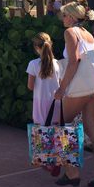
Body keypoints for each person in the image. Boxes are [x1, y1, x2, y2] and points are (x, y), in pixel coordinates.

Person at [52, 1, 94, 187]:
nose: (63, 19)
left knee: (58, 123)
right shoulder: (88, 34)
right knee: (93, 129)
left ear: (72, 17)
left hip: (79, 88)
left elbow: (73, 62)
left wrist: (62, 88)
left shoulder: (70, 33)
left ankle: (72, 172)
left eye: (65, 15)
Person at [26, 32, 61, 176]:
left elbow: (30, 86)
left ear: (36, 47)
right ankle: (57, 159)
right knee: (56, 129)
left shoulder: (34, 64)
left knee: (42, 130)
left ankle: (48, 161)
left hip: (41, 102)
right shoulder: (58, 63)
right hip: (56, 102)